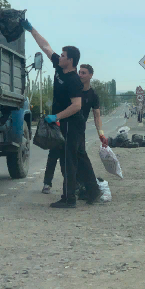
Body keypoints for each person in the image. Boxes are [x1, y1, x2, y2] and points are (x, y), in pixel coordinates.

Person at [20, 18, 101, 208]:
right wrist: (31, 29)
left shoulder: (73, 80)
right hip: (64, 122)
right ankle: (93, 191)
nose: (59, 56)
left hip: (71, 124)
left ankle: (69, 198)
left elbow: (77, 106)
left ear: (70, 60)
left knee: (68, 161)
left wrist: (55, 116)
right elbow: (46, 46)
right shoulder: (59, 66)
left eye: (63, 55)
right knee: (80, 157)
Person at [42, 64, 108, 195]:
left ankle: (78, 187)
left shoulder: (93, 95)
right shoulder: (72, 89)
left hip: (78, 130)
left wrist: (101, 134)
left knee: (76, 158)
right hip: (62, 126)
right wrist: (56, 119)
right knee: (54, 154)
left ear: (90, 75)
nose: (80, 75)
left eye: (84, 73)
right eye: (80, 72)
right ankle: (47, 183)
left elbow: (97, 116)